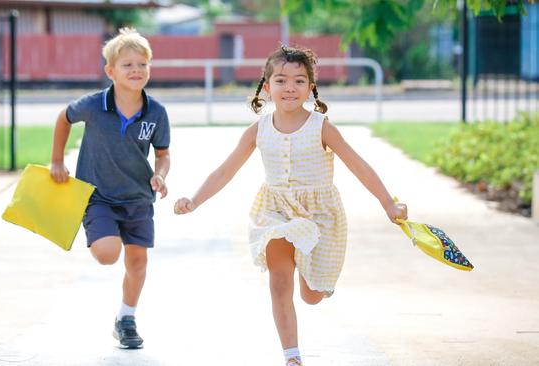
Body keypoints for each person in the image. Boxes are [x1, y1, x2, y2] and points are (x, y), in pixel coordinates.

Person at [173, 45, 407, 366]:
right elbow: (226, 170)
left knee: (310, 295)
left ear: (311, 87)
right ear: (267, 87)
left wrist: (388, 203)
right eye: (281, 80)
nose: (290, 88)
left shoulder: (322, 127)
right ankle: (292, 356)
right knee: (279, 280)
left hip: (320, 215)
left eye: (299, 81)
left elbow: (359, 165)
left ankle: (315, 282)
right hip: (276, 211)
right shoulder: (258, 130)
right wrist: (195, 200)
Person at [49, 28, 170, 349]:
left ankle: (126, 318)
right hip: (98, 196)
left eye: (143, 64)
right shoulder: (92, 105)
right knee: (106, 255)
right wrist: (57, 161)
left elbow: (163, 154)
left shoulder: (156, 112)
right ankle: (104, 236)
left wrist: (160, 175)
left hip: (138, 198)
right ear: (110, 71)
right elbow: (63, 118)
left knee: (138, 262)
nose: (136, 71)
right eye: (128, 65)